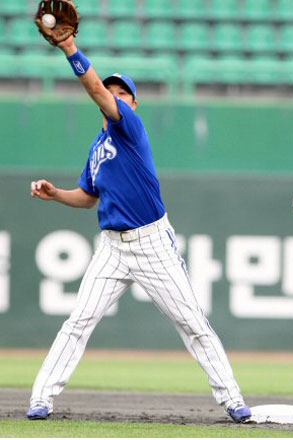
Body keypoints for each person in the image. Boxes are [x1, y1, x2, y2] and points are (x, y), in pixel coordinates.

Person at [27, 32, 251, 423]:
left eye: (122, 92)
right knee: (78, 321)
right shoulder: (98, 147)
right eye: (113, 90)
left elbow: (95, 90)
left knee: (192, 322)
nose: (115, 95)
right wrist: (57, 194)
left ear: (132, 102)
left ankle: (232, 398)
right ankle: (41, 399)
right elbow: (89, 195)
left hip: (152, 244)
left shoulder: (129, 127)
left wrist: (69, 49)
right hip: (112, 248)